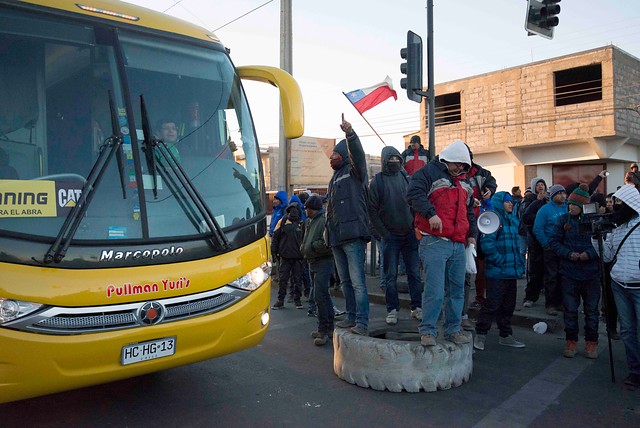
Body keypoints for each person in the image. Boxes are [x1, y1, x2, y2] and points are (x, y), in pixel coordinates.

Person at [406, 138, 476, 346]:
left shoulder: (463, 180)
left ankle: (452, 329)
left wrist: (471, 234)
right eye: (458, 165)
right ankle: (428, 331)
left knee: (457, 290)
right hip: (434, 241)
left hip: (457, 243)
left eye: (463, 166)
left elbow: (468, 210)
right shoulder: (427, 173)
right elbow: (413, 194)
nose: (460, 168)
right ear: (449, 160)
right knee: (434, 290)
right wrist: (430, 213)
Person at [325, 115, 370, 336]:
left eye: (334, 154)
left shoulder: (355, 172)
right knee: (345, 282)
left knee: (357, 282)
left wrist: (350, 135)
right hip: (336, 238)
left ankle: (362, 321)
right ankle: (351, 316)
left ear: (343, 155)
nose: (330, 158)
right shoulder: (333, 179)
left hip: (353, 236)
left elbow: (359, 156)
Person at [591, 184, 640, 387]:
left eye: (620, 204)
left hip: (638, 285)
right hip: (619, 283)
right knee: (627, 330)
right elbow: (608, 255)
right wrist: (596, 238)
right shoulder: (616, 228)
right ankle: (635, 370)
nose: (615, 208)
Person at [368, 146, 423, 325]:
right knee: (390, 276)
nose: (394, 162)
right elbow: (372, 211)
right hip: (390, 237)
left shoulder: (406, 177)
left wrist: (415, 226)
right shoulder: (377, 182)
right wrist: (384, 234)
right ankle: (392, 310)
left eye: (397, 159)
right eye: (391, 159)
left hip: (409, 235)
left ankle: (417, 307)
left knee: (414, 273)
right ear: (384, 160)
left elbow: (415, 203)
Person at [549, 184, 601, 359]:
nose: (570, 207)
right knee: (570, 310)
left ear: (582, 206)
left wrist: (589, 254)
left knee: (592, 311)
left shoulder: (594, 221)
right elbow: (554, 242)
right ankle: (571, 341)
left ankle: (591, 343)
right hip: (569, 272)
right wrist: (569, 254)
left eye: (574, 205)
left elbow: (604, 243)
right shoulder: (563, 220)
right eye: (569, 204)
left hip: (591, 273)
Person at [473, 192, 526, 351]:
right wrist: (500, 261)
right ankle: (480, 335)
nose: (511, 204)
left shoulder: (514, 220)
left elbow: (518, 246)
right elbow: (487, 245)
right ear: (499, 203)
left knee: (508, 306)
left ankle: (505, 335)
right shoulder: (492, 220)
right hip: (497, 272)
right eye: (507, 202)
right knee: (492, 304)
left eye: (511, 202)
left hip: (511, 272)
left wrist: (520, 264)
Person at [301, 195, 335, 346]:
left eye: (307, 208)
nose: (305, 210)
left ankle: (324, 330)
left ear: (312, 209)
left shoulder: (322, 221)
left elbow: (326, 242)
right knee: (322, 295)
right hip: (313, 261)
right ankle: (328, 328)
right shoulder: (311, 221)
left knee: (320, 296)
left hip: (322, 261)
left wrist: (312, 247)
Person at [532, 183, 567, 316]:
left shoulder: (567, 209)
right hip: (551, 249)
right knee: (551, 277)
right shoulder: (545, 210)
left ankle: (560, 303)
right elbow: (538, 228)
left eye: (564, 193)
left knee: (563, 276)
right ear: (553, 195)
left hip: (564, 249)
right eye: (559, 193)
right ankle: (550, 304)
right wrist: (546, 244)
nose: (563, 196)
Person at [270, 202, 305, 310]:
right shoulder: (288, 222)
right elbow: (275, 238)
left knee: (293, 279)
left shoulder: (299, 223)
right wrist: (274, 252)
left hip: (292, 256)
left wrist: (274, 252)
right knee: (286, 279)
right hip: (289, 256)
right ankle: (290, 300)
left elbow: (275, 238)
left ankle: (289, 300)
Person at [521, 177, 548, 308]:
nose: (541, 187)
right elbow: (525, 217)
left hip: (548, 240)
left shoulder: (548, 200)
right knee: (535, 269)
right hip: (534, 239)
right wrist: (537, 203)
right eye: (538, 185)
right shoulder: (529, 200)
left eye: (542, 184)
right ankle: (530, 296)